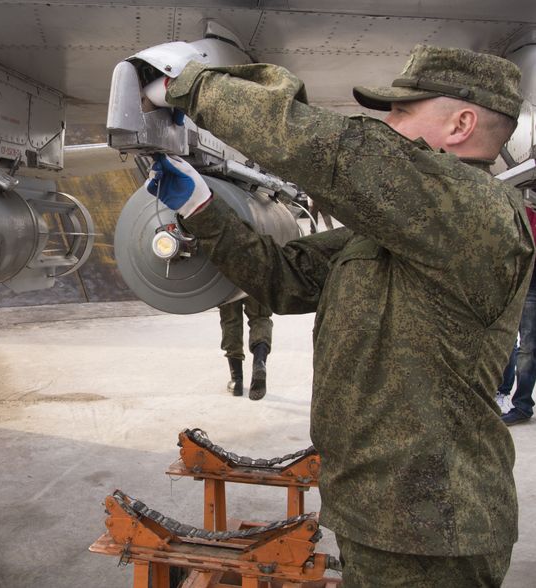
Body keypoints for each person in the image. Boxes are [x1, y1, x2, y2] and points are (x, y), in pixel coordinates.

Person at [143, 44, 529, 585]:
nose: (387, 124)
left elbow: (337, 154)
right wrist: (201, 209)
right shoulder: (410, 230)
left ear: (462, 123)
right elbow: (286, 280)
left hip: (433, 529)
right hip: (377, 514)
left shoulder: (478, 212)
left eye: (401, 110)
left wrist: (191, 84)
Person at [503, 207, 536, 425]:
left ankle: (522, 405)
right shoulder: (523, 210)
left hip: (531, 286)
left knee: (527, 348)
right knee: (519, 346)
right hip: (522, 285)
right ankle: (514, 400)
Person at [219, 296, 271, 399]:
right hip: (256, 281)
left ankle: (236, 380)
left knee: (230, 320)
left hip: (229, 282)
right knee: (260, 318)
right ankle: (259, 361)